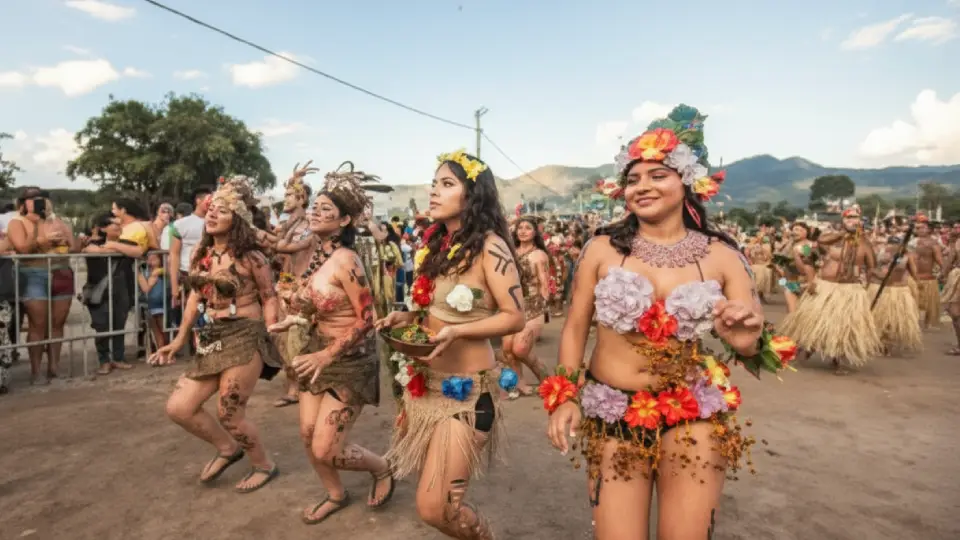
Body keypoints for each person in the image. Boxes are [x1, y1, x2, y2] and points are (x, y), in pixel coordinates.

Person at [546, 105, 776, 539]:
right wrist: (565, 396)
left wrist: (745, 340)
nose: (642, 186)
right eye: (632, 179)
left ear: (687, 181)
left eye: (658, 175)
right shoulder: (599, 250)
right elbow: (575, 327)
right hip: (612, 412)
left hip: (694, 419)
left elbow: (753, 342)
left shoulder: (723, 256)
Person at [377, 149, 525, 539]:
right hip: (427, 390)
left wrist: (459, 332)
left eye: (447, 184)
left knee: (435, 507)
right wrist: (406, 318)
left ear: (472, 195)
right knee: (438, 504)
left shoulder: (490, 247)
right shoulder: (436, 246)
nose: (433, 191)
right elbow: (432, 308)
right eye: (434, 182)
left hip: (466, 394)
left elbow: (515, 316)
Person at [269, 161, 394, 524]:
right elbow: (321, 307)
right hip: (315, 353)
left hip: (349, 358)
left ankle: (382, 468)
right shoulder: (318, 256)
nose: (314, 211)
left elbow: (366, 319)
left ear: (343, 221)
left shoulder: (347, 260)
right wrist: (296, 318)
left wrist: (327, 353)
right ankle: (335, 493)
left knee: (327, 447)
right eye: (314, 206)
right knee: (309, 434)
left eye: (325, 209)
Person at [151, 176, 283, 494]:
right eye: (211, 208)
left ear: (236, 220)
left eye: (221, 211)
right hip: (212, 336)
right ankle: (228, 449)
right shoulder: (201, 254)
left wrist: (271, 332)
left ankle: (263, 464)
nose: (211, 214)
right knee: (179, 408)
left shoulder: (253, 257)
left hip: (246, 334)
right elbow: (196, 298)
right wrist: (180, 339)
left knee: (229, 412)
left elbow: (269, 296)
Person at [779, 205, 882, 374]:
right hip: (823, 286)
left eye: (855, 218)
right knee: (809, 319)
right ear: (842, 220)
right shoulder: (831, 239)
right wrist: (844, 233)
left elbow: (872, 268)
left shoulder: (865, 244)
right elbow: (820, 243)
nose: (852, 221)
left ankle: (838, 360)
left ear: (860, 221)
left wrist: (879, 278)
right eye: (848, 218)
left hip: (849, 290)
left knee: (843, 327)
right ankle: (805, 348)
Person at [5, 187, 78, 384]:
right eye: (32, 200)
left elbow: (73, 247)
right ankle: (36, 371)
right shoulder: (17, 222)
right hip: (33, 274)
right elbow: (22, 248)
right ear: (23, 203)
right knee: (37, 324)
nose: (37, 202)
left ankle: (53, 368)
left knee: (57, 323)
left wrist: (60, 230)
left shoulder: (57, 220)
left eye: (41, 199)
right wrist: (40, 234)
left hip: (61, 272)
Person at [272, 161, 318, 408]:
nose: (285, 199)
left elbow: (286, 247)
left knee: (301, 337)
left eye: (290, 195)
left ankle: (305, 386)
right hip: (286, 283)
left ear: (302, 200)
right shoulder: (288, 224)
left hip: (304, 285)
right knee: (284, 339)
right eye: (285, 195)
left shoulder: (310, 225)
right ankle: (292, 386)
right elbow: (279, 247)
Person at [502, 215, 550, 398]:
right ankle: (519, 383)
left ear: (535, 232)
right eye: (520, 227)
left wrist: (543, 309)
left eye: (528, 228)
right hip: (511, 305)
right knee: (507, 349)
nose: (522, 231)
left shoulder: (539, 255)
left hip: (533, 307)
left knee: (520, 349)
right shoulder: (511, 252)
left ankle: (545, 377)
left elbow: (544, 284)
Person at [82, 213, 136, 374]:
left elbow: (138, 251)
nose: (119, 227)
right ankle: (104, 360)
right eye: (115, 225)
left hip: (122, 290)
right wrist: (111, 249)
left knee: (119, 324)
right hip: (99, 291)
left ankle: (118, 358)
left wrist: (113, 247)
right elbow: (89, 250)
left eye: (120, 224)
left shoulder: (126, 243)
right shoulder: (92, 243)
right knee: (102, 327)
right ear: (103, 228)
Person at [867, 237, 922, 355]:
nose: (891, 247)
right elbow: (870, 269)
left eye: (895, 245)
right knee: (878, 319)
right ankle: (878, 343)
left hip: (899, 290)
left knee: (893, 320)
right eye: (890, 244)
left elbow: (914, 273)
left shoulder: (907, 256)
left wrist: (917, 285)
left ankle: (888, 344)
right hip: (879, 288)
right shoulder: (879, 253)